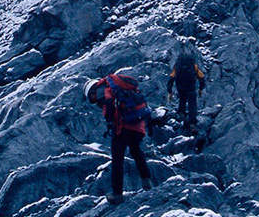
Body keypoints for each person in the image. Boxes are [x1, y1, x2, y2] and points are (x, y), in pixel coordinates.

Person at [84, 73, 153, 205]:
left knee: (117, 160)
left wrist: (110, 122)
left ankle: (117, 195)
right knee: (136, 151)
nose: (95, 100)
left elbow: (109, 105)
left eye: (92, 98)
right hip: (138, 124)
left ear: (92, 91)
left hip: (122, 126)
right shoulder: (119, 86)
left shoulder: (103, 90)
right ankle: (147, 181)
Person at [167, 51, 206, 134]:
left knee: (182, 101)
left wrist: (169, 91)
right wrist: (201, 88)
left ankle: (182, 117)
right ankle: (192, 124)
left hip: (180, 88)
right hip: (191, 88)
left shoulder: (177, 66)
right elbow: (201, 77)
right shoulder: (193, 66)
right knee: (192, 105)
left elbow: (171, 78)